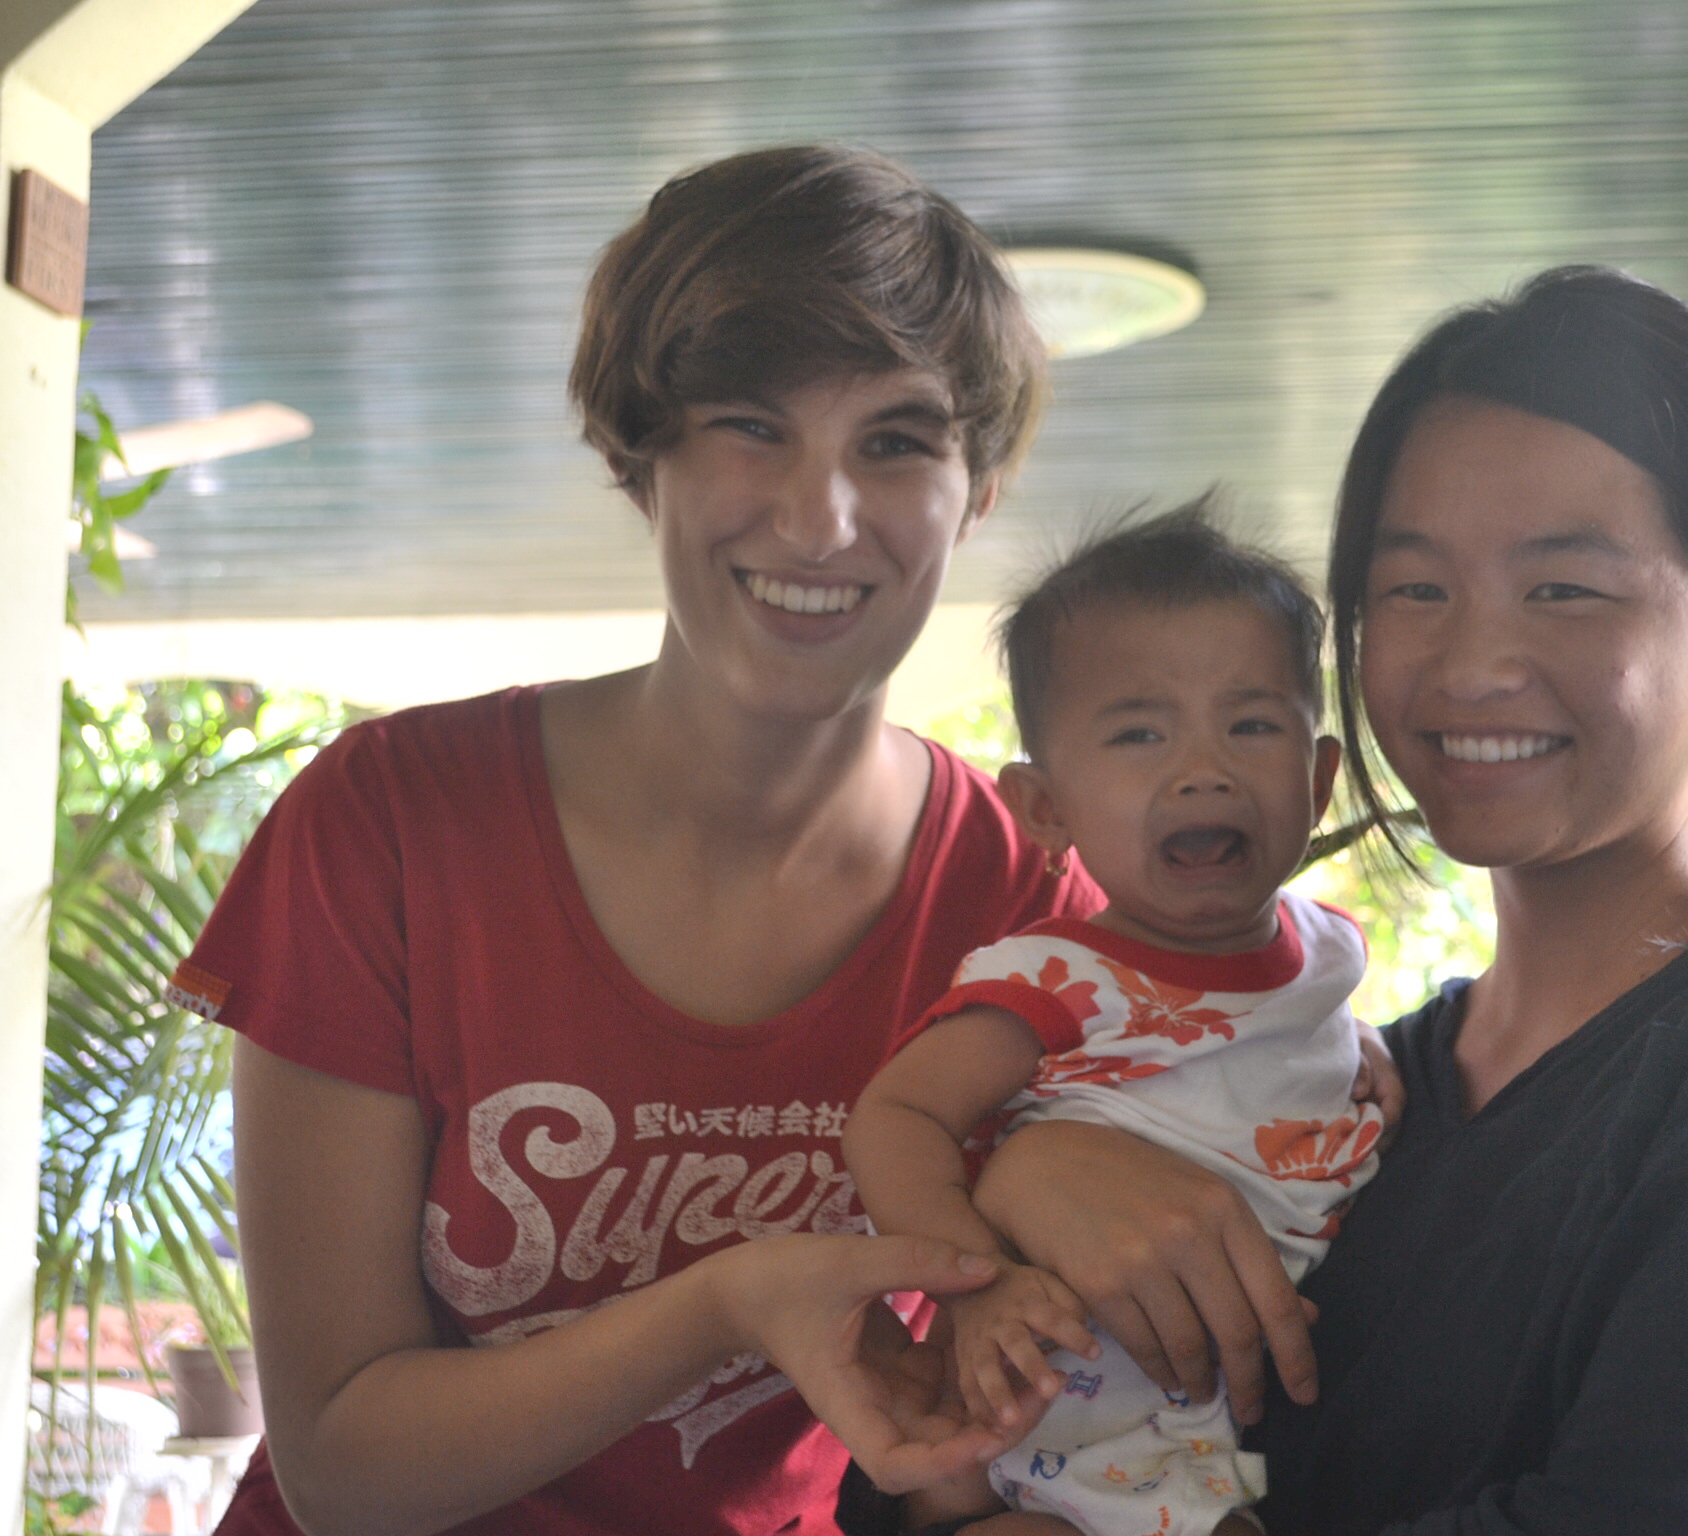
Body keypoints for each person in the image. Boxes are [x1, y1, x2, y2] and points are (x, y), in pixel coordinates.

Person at [920, 266, 1688, 1535]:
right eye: (1414, 591)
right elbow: (948, 1463)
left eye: (1563, 588)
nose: (1471, 663)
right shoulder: (1358, 1091)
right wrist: (1014, 1175)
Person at [170, 143, 1112, 1536]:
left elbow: (1010, 1423)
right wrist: (724, 1304)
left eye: (898, 441)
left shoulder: (1030, 902)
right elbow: (341, 1470)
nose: (820, 519)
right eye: (751, 426)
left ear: (975, 491)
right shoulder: (389, 825)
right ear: (637, 455)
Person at [843, 503, 1384, 1536]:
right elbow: (894, 1118)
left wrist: (1364, 1046)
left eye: (1252, 724)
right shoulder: (1054, 977)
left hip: (1223, 1408)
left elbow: (1263, 1051)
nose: (1203, 766)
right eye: (1140, 732)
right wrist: (974, 1285)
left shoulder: (1328, 956)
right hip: (1067, 1384)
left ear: (1318, 781)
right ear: (1045, 809)